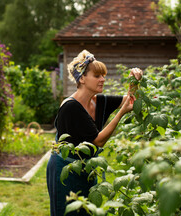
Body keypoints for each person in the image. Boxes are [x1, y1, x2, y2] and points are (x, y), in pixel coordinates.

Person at [46, 49, 143, 215]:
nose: (103, 79)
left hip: (86, 167)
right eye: (97, 76)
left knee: (87, 210)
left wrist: (134, 81)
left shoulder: (100, 101)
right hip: (66, 170)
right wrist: (120, 114)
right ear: (82, 78)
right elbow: (97, 141)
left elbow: (129, 100)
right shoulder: (71, 107)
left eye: (103, 75)